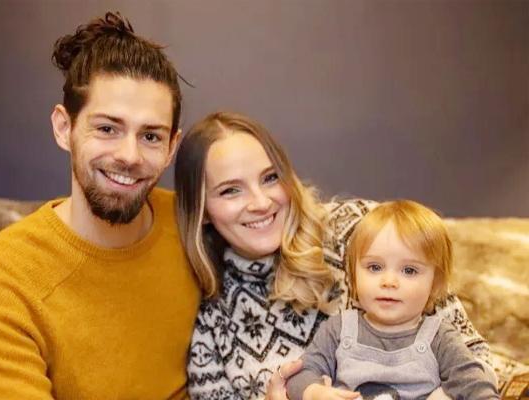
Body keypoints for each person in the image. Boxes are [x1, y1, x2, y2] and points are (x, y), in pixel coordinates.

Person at [0, 12, 200, 399]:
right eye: (107, 128)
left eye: (151, 136)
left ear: (172, 147)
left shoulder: (194, 224)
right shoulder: (1, 280)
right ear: (64, 128)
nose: (129, 156)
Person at [174, 112, 493, 400]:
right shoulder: (210, 317)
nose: (260, 203)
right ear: (202, 210)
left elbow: (475, 357)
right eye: (230, 190)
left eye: (270, 178)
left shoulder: (363, 230)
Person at [285, 200, 499, 400]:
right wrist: (314, 392)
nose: (389, 281)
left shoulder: (440, 337)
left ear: (435, 284)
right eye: (375, 267)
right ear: (353, 276)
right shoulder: (338, 330)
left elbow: (475, 383)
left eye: (409, 270)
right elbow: (302, 372)